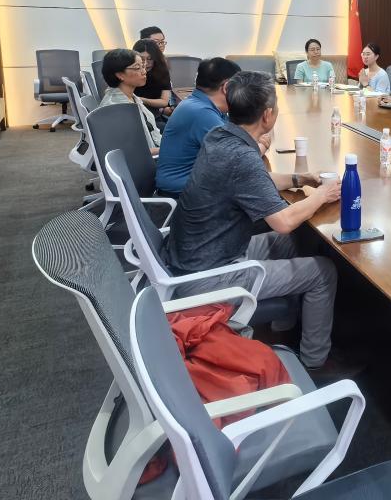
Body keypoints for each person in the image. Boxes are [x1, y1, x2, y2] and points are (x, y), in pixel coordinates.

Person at [166, 71, 344, 373]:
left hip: (197, 254)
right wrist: (321, 195)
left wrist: (301, 178)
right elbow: (283, 221)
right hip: (209, 275)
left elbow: (257, 180)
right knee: (323, 271)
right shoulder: (243, 157)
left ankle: (283, 326)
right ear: (268, 115)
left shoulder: (220, 135)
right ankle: (315, 363)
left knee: (296, 242)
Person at [155, 57, 241, 196]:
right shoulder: (202, 113)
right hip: (183, 195)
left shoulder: (197, 103)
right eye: (240, 88)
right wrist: (262, 143)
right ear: (226, 87)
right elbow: (237, 159)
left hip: (192, 185)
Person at [99, 48, 162, 152]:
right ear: (120, 75)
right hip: (144, 159)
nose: (144, 71)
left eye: (143, 66)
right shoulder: (117, 108)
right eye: (137, 68)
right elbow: (131, 153)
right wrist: (167, 150)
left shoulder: (130, 97)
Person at [132, 38, 173, 125]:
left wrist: (139, 99)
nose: (146, 63)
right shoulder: (131, 72)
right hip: (134, 112)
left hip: (153, 113)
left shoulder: (162, 71)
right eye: (142, 59)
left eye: (150, 59)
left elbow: (164, 102)